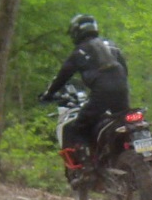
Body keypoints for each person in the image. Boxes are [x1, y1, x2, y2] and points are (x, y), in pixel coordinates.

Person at [40, 15, 131, 165]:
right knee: (121, 124)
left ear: (77, 32)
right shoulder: (111, 45)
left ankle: (88, 165)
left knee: (79, 127)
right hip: (122, 90)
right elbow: (124, 70)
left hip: (102, 93)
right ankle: (120, 158)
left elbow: (63, 76)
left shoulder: (79, 52)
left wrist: (49, 94)